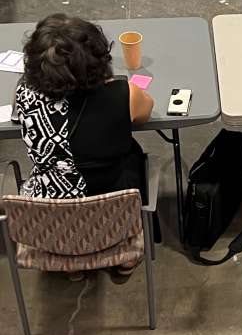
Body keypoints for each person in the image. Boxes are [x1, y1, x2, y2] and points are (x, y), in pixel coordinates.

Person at [17, 14, 153, 201]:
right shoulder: (123, 94)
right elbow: (145, 112)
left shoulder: (25, 92)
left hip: (46, 213)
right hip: (114, 208)